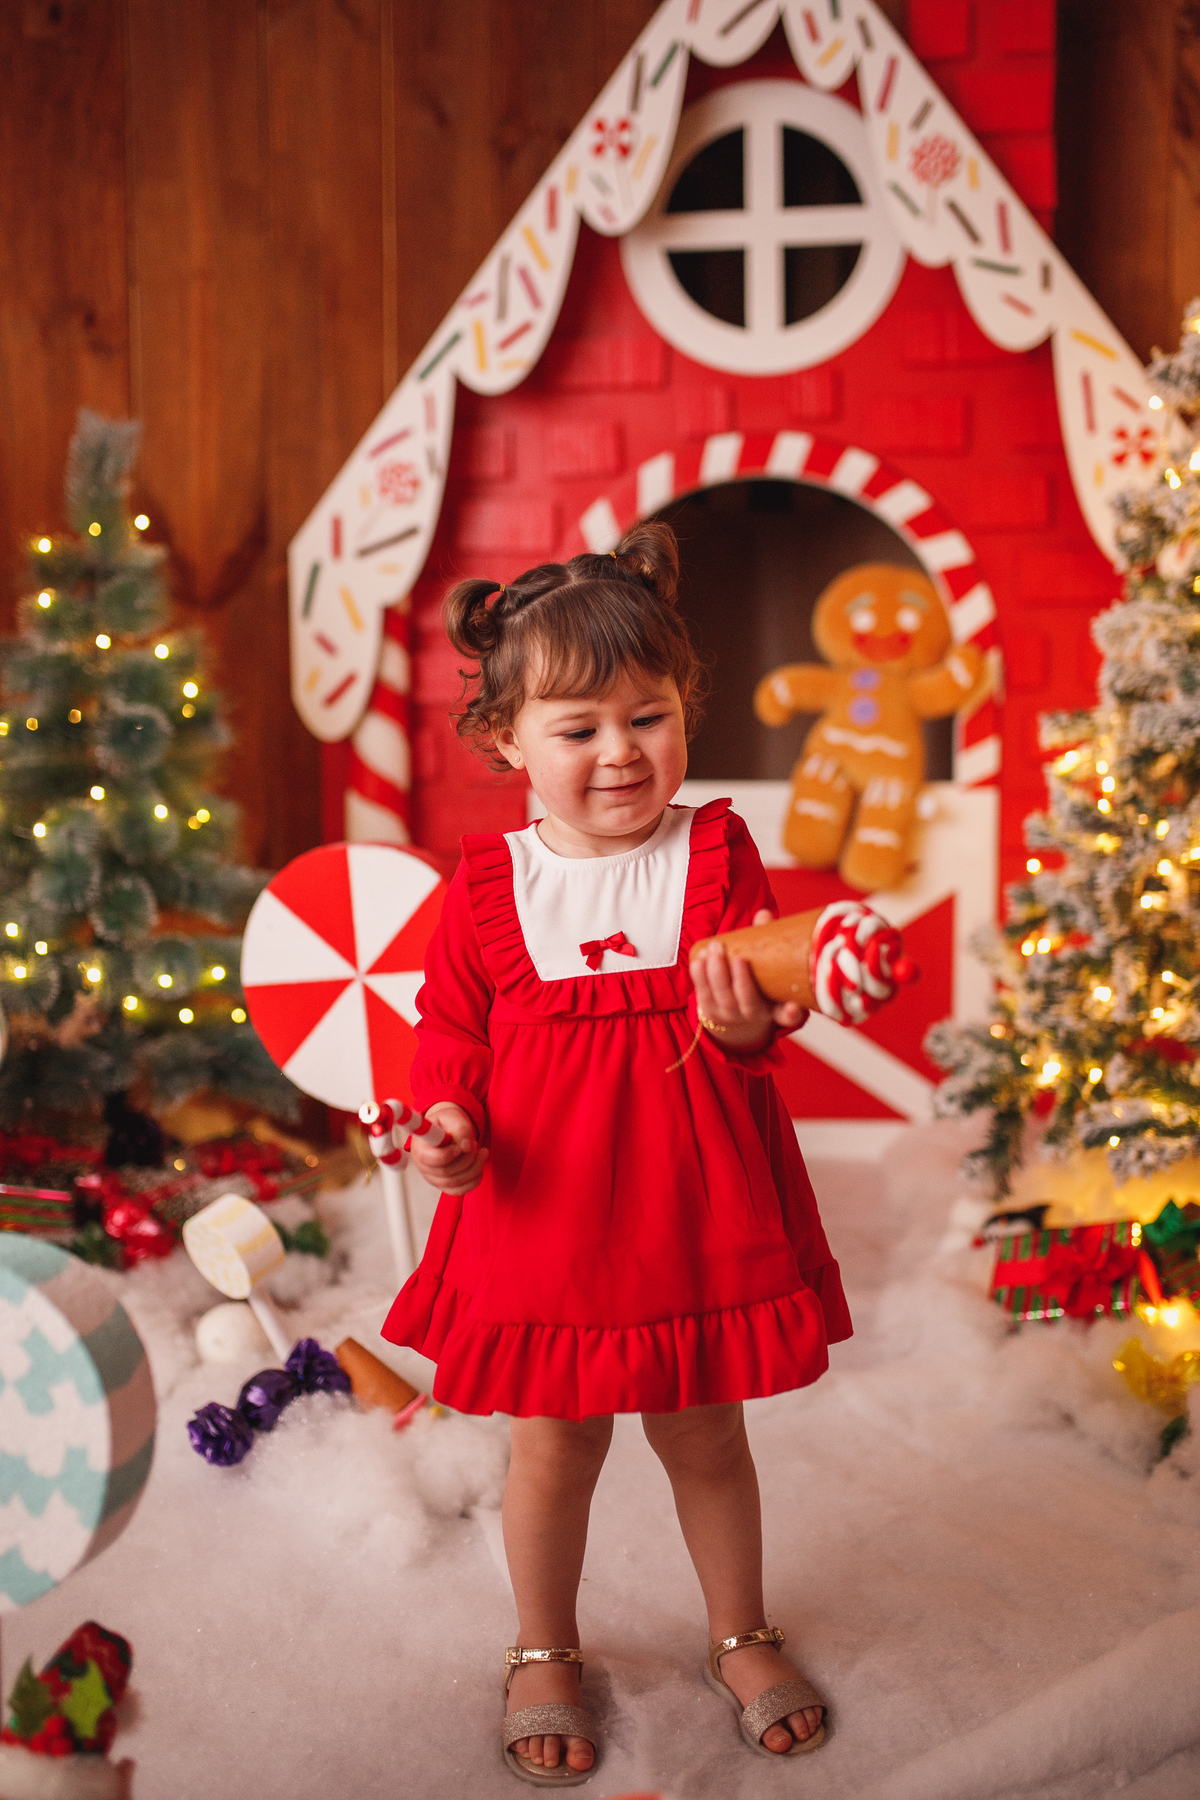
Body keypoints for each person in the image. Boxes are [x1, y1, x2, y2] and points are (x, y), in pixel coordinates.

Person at [381, 521, 852, 1786]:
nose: (619, 754)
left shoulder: (716, 854)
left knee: (705, 1430)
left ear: (683, 713)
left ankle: (739, 1630)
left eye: (647, 718)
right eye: (578, 730)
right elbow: (448, 1034)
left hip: (693, 1202)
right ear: (505, 741)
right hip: (546, 1210)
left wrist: (751, 1020)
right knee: (555, 1442)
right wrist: (451, 1124)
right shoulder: (487, 884)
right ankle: (543, 1646)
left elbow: (756, 1012)